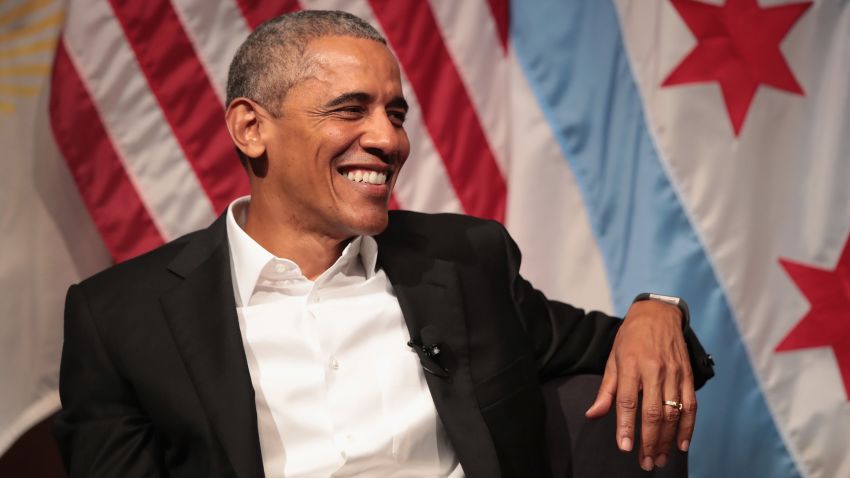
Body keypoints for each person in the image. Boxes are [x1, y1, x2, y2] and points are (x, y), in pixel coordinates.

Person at [55, 10, 714, 478]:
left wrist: (658, 310)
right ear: (252, 128)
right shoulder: (121, 319)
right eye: (351, 110)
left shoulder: (464, 263)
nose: (390, 139)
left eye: (395, 113)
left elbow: (635, 348)